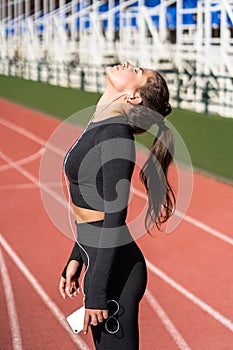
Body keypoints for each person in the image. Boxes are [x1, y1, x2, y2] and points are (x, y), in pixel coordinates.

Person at [58, 61, 176, 349]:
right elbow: (89, 201)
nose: (129, 64)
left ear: (134, 97)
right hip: (97, 256)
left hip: (115, 269)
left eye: (137, 71)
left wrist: (97, 292)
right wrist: (78, 254)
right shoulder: (101, 124)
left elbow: (114, 216)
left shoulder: (115, 135)